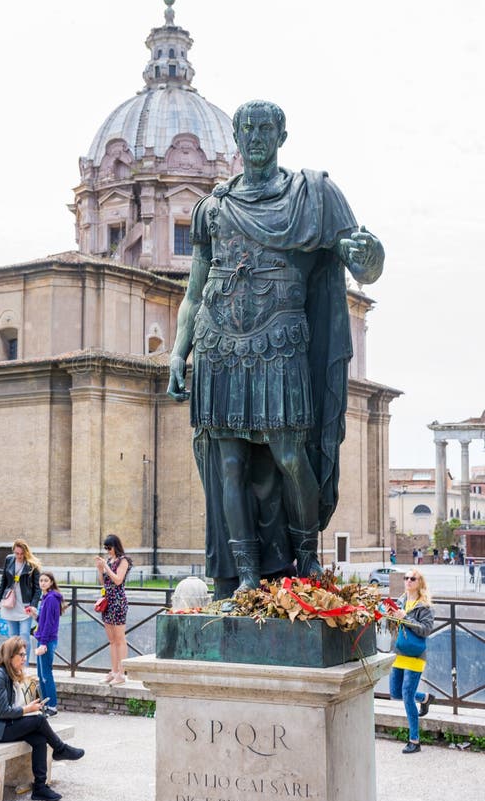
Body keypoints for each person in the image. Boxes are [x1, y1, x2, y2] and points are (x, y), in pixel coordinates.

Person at [167, 99, 384, 596]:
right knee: (228, 464)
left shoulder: (314, 195)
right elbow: (194, 291)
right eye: (247, 130)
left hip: (280, 342)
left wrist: (366, 254)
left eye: (266, 128)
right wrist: (179, 353)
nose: (256, 138)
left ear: (281, 135)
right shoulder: (212, 208)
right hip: (218, 345)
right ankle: (244, 577)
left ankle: (305, 558)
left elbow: (365, 264)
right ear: (236, 139)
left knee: (289, 454)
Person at [0, 635, 84, 801]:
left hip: (0, 725)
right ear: (10, 656)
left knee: (38, 739)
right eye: (21, 655)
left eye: (25, 655)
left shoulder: (6, 673)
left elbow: (8, 710)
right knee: (38, 720)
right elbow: (3, 712)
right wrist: (27, 709)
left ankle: (40, 787)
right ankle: (60, 749)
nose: (24, 659)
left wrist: (27, 709)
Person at [386, 568, 435, 754]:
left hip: (415, 655)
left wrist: (405, 617)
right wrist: (390, 615)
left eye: (412, 578)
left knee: (407, 694)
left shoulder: (425, 606)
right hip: (399, 652)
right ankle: (425, 698)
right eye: (406, 578)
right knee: (396, 693)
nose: (408, 581)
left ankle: (414, 740)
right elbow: (395, 626)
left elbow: (425, 630)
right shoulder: (401, 601)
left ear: (419, 582)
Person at [0, 539, 42, 653]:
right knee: (13, 638)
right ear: (13, 551)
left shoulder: (32, 564)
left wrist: (33, 605)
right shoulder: (9, 559)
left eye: (22, 553)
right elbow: (3, 581)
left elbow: (37, 589)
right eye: (17, 553)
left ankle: (24, 667)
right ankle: (14, 667)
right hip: (10, 604)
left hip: (25, 606)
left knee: (24, 636)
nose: (19, 556)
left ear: (26, 552)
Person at [95, 534, 132, 686]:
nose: (108, 551)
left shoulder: (124, 561)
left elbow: (118, 580)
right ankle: (114, 670)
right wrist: (100, 569)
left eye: (109, 548)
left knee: (120, 639)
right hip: (107, 601)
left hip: (118, 601)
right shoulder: (109, 561)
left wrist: (106, 567)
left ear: (115, 546)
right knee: (111, 640)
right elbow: (104, 582)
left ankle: (122, 673)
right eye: (105, 548)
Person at [34, 572, 65, 717]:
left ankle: (52, 706)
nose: (43, 583)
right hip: (43, 639)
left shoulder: (52, 598)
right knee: (41, 674)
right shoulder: (45, 597)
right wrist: (34, 615)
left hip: (47, 640)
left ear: (51, 582)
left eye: (46, 580)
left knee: (46, 674)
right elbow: (42, 619)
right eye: (41, 580)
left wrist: (44, 643)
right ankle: (45, 704)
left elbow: (49, 623)